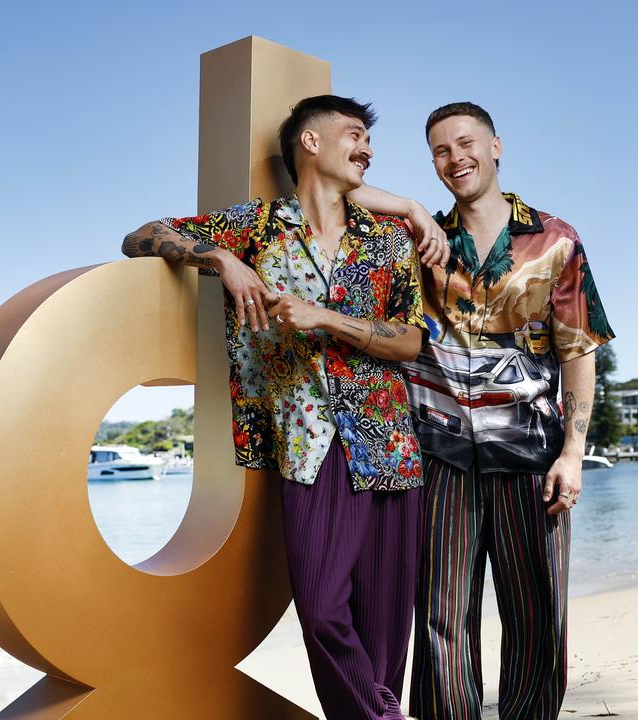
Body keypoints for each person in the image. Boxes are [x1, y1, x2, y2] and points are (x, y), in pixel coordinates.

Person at [121, 95, 448, 720]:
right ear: (311, 143)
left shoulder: (385, 240)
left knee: (385, 631)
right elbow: (140, 236)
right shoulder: (258, 227)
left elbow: (410, 340)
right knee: (323, 609)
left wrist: (326, 317)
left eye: (369, 140)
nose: (368, 148)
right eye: (355, 135)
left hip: (390, 443)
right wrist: (218, 258)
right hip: (308, 443)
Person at [358, 102, 615, 719]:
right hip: (440, 457)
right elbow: (338, 190)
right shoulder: (418, 243)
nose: (456, 159)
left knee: (537, 616)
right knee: (442, 619)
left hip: (532, 458)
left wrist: (574, 456)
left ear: (497, 146)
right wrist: (412, 207)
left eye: (466, 144)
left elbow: (579, 352)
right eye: (441, 151)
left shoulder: (556, 241)